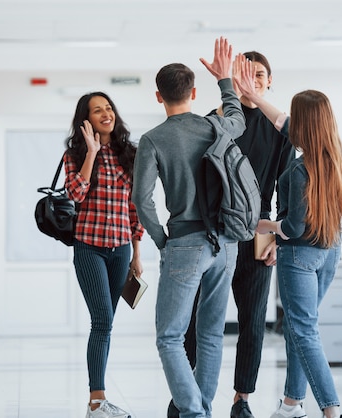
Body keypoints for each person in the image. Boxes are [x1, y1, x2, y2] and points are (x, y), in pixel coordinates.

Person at [131, 37, 254, 418]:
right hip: (227, 242)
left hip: (185, 242)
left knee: (169, 336)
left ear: (158, 97)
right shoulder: (216, 126)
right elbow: (239, 117)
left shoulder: (153, 140)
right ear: (193, 92)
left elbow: (142, 199)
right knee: (211, 333)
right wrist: (226, 81)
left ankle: (193, 412)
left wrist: (162, 240)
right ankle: (201, 407)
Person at [171, 51, 295, 418]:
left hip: (259, 229)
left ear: (269, 81)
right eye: (244, 72)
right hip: (214, 233)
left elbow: (286, 187)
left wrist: (277, 238)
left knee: (253, 321)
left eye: (259, 74)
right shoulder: (213, 121)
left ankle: (242, 399)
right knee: (197, 321)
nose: (252, 79)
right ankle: (187, 395)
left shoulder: (280, 129)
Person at [236, 76, 342, 418]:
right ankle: (291, 404)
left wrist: (263, 226)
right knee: (302, 331)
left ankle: (331, 410)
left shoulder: (301, 169)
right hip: (329, 251)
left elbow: (292, 227)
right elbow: (282, 123)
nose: (289, 121)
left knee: (303, 331)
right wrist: (255, 95)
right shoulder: (335, 155)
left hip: (299, 256)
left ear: (306, 124)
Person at [63, 92, 145, 418]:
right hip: (89, 247)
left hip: (121, 249)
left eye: (108, 108)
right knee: (102, 320)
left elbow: (134, 207)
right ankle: (96, 401)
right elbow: (76, 193)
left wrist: (137, 253)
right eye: (97, 110)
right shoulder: (75, 154)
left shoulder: (130, 154)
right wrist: (92, 153)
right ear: (86, 119)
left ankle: (98, 401)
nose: (105, 113)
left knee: (107, 324)